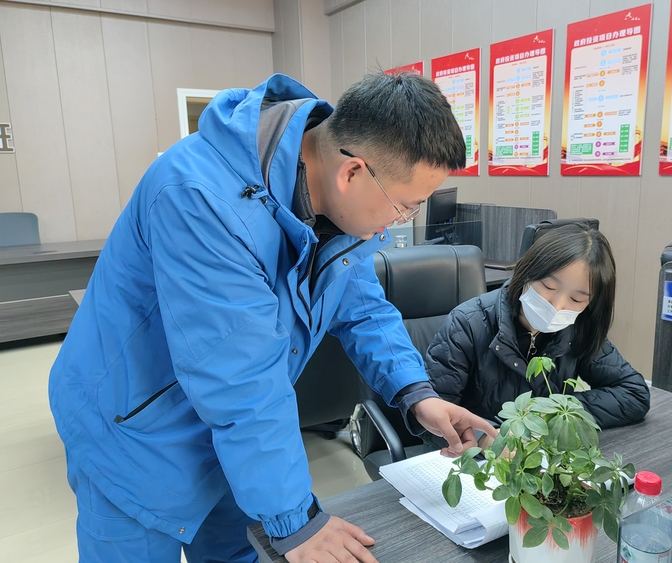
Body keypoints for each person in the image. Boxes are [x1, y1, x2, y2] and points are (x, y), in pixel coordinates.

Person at [48, 72, 495, 563]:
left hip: (234, 439)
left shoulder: (341, 208)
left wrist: (416, 394)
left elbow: (364, 309)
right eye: (404, 208)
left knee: (237, 551)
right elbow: (241, 376)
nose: (398, 222)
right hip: (133, 429)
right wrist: (296, 521)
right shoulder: (199, 196)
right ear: (354, 173)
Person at [426, 223, 650, 435]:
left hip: (543, 457)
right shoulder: (467, 324)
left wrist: (553, 412)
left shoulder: (578, 328)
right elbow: (434, 417)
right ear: (527, 273)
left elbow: (634, 393)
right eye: (548, 286)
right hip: (477, 461)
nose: (557, 305)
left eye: (576, 299)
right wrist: (486, 437)